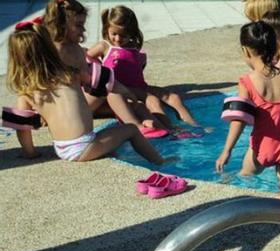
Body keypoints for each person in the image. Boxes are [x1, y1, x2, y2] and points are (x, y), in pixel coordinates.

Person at [5, 22, 166, 164]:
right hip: (84, 146)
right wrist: (129, 94)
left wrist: (30, 153)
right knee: (131, 129)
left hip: (61, 148)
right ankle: (161, 162)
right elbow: (106, 82)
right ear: (50, 49)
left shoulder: (26, 92)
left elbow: (22, 127)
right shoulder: (70, 74)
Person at [42, 0, 167, 138]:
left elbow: (91, 78)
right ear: (61, 25)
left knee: (134, 104)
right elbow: (40, 83)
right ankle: (137, 126)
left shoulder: (75, 49)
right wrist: (44, 111)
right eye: (78, 25)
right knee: (109, 90)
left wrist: (126, 93)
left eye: (83, 25)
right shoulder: (55, 51)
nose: (83, 30)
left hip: (82, 103)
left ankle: (165, 129)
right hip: (67, 109)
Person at [215, 21, 280, 188]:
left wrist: (227, 150)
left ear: (246, 51)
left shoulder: (247, 82)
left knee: (244, 178)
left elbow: (239, 119)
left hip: (264, 144)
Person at [87, 5, 198, 129]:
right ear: (107, 29)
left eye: (123, 35)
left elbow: (136, 69)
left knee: (173, 97)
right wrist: (97, 68)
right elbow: (85, 59)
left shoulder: (134, 46)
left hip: (140, 86)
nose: (118, 38)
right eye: (114, 34)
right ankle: (171, 130)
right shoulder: (105, 46)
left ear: (132, 32)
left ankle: (196, 127)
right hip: (121, 88)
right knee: (152, 100)